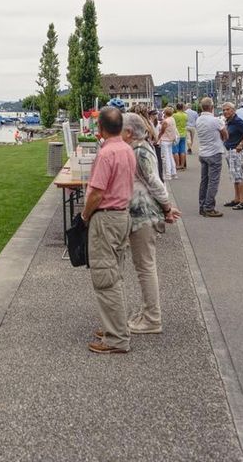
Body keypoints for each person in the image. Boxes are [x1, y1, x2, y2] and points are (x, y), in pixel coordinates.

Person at [81, 105, 135, 354]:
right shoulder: (126, 149)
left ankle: (116, 338)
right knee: (115, 274)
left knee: (105, 278)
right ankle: (116, 325)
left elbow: (96, 192)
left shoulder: (106, 154)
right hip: (122, 215)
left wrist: (84, 214)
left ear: (100, 128)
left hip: (106, 217)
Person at [122, 112, 181, 334]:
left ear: (129, 132)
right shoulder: (140, 147)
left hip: (142, 214)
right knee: (143, 266)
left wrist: (167, 206)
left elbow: (154, 181)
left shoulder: (139, 150)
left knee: (145, 267)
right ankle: (147, 311)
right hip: (142, 212)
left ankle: (152, 318)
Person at [195, 97, 228, 216]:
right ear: (212, 107)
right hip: (214, 153)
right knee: (213, 182)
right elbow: (225, 135)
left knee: (204, 181)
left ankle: (202, 205)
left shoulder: (198, 120)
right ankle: (209, 207)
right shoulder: (216, 120)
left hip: (203, 153)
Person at [220, 103, 243, 210]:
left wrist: (242, 143)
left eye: (227, 109)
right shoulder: (229, 121)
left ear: (233, 110)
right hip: (229, 150)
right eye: (224, 110)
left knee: (239, 175)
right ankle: (237, 199)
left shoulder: (237, 121)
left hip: (236, 151)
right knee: (234, 176)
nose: (225, 112)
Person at [158, 106, 179, 180]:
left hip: (165, 140)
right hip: (171, 140)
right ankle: (174, 173)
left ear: (165, 113)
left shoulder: (165, 121)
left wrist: (158, 138)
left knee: (166, 158)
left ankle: (168, 175)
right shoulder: (172, 119)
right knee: (170, 156)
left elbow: (162, 131)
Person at [173, 104, 189, 170]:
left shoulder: (174, 115)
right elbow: (186, 122)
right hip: (183, 134)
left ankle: (177, 165)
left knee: (175, 151)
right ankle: (182, 165)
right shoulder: (186, 115)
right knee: (182, 150)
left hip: (176, 134)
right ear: (182, 108)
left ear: (176, 108)